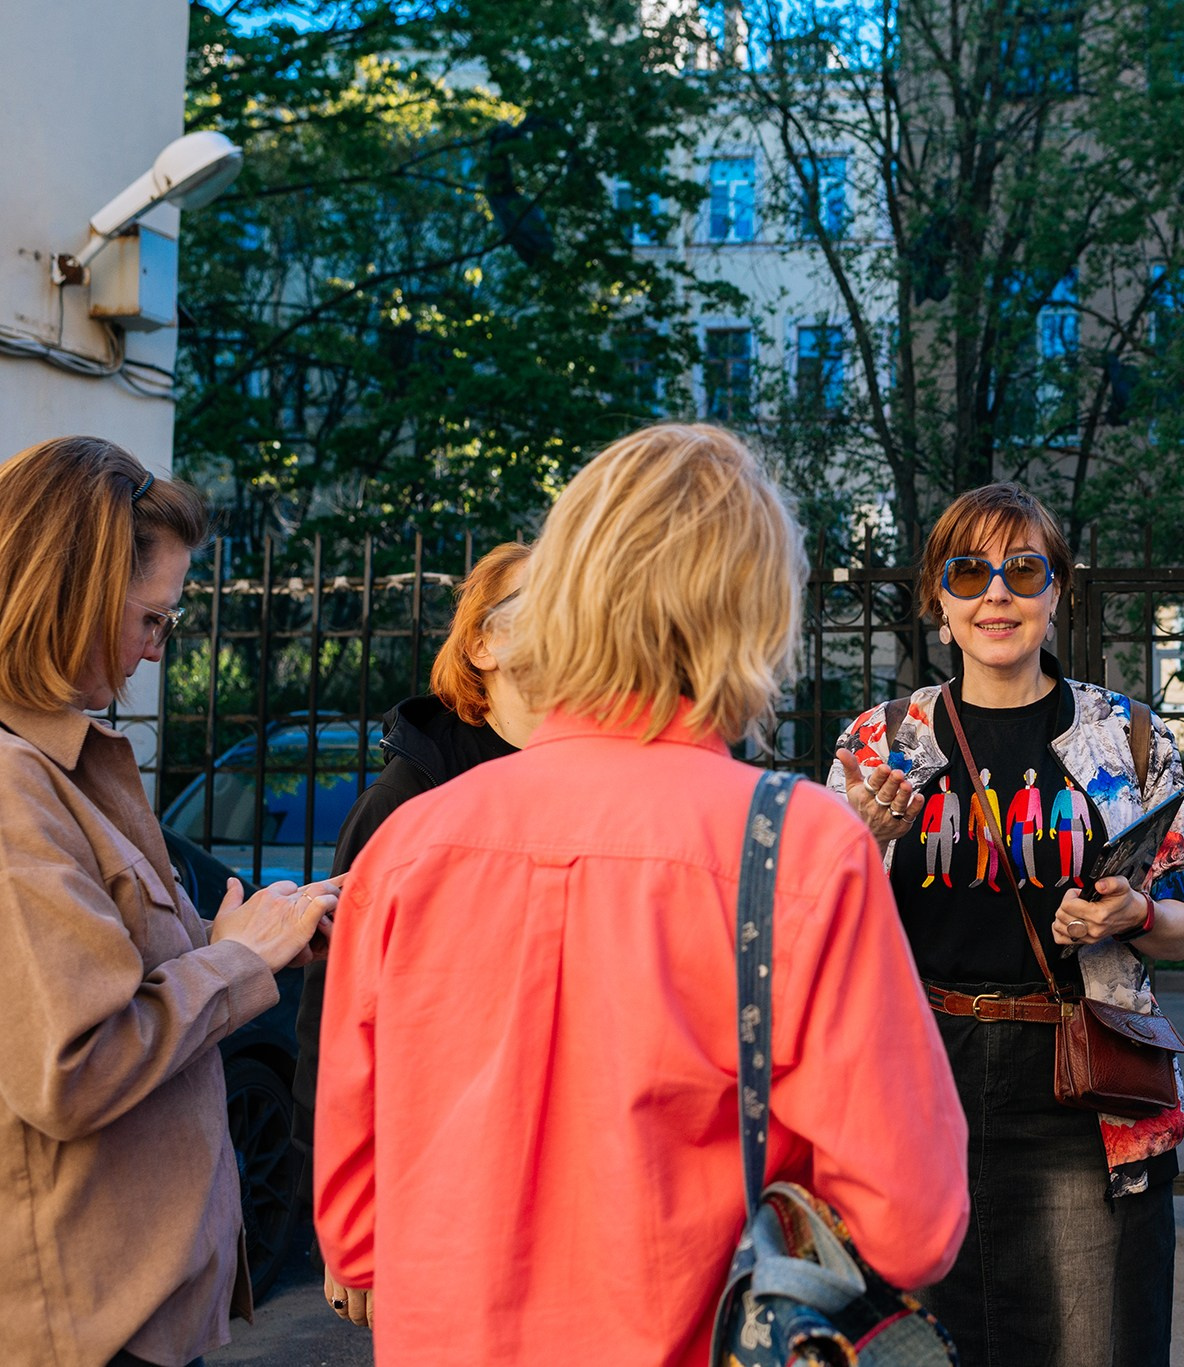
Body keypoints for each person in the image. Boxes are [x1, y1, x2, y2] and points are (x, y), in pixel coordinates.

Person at [313, 424, 968, 1365]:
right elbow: (913, 1221)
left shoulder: (407, 846)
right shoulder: (801, 845)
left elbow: (355, 1227)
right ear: (753, 614)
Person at [829, 482, 1184, 1367]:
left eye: (1023, 569)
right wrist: (866, 844)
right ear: (939, 596)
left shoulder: (1130, 737)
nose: (995, 593)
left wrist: (1136, 910)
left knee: (1091, 1341)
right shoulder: (880, 743)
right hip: (921, 1074)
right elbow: (817, 931)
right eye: (970, 571)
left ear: (1057, 592)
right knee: (927, 1339)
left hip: (1082, 1080)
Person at [0, 437, 338, 1367]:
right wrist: (237, 960)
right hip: (82, 1327)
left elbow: (138, 971)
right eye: (151, 618)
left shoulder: (65, 767)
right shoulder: (15, 788)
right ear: (66, 597)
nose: (156, 649)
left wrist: (266, 933)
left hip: (126, 1308)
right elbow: (74, 1063)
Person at [291, 538, 537, 1329]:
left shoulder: (584, 786)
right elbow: (332, 1022)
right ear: (482, 642)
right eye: (547, 605)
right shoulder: (401, 807)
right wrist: (343, 1224)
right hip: (431, 1189)